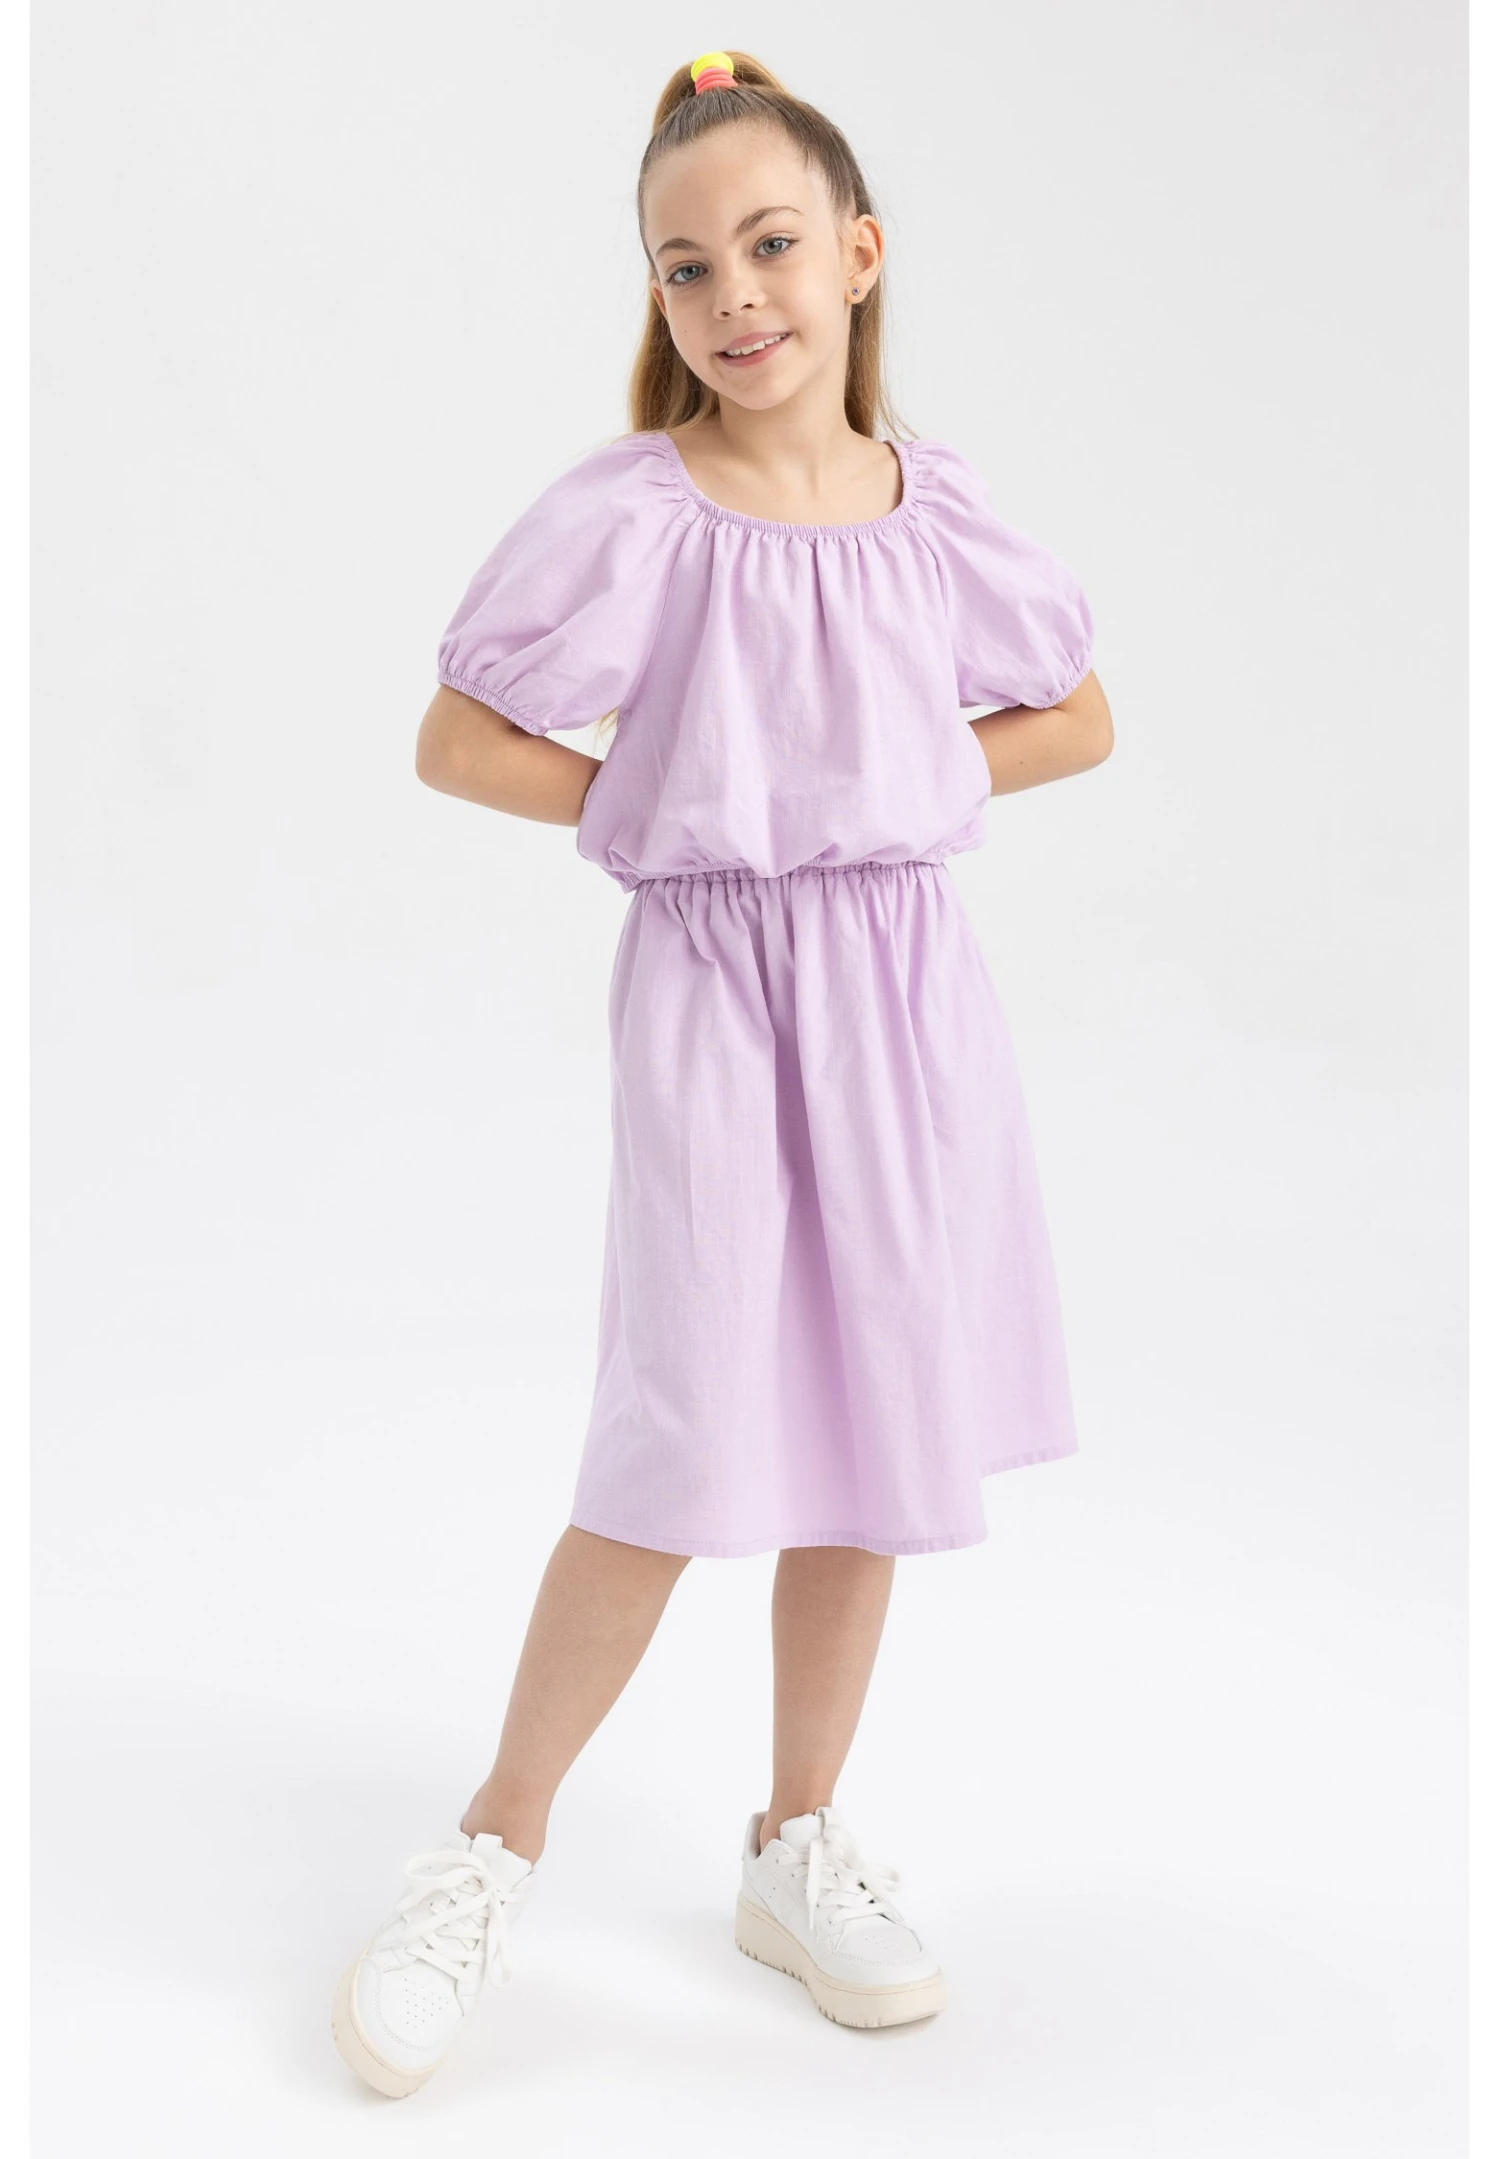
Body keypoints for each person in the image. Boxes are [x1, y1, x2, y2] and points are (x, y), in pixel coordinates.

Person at [331, 47, 1113, 2098]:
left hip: (904, 995)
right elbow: (461, 739)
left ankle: (796, 1840)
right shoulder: (638, 513)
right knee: (676, 1431)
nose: (733, 295)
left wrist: (894, 779)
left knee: (872, 1412)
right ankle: (491, 1844)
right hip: (715, 990)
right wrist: (676, 802)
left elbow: (1075, 713)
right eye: (687, 267)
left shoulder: (932, 506)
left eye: (770, 245)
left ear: (858, 253)